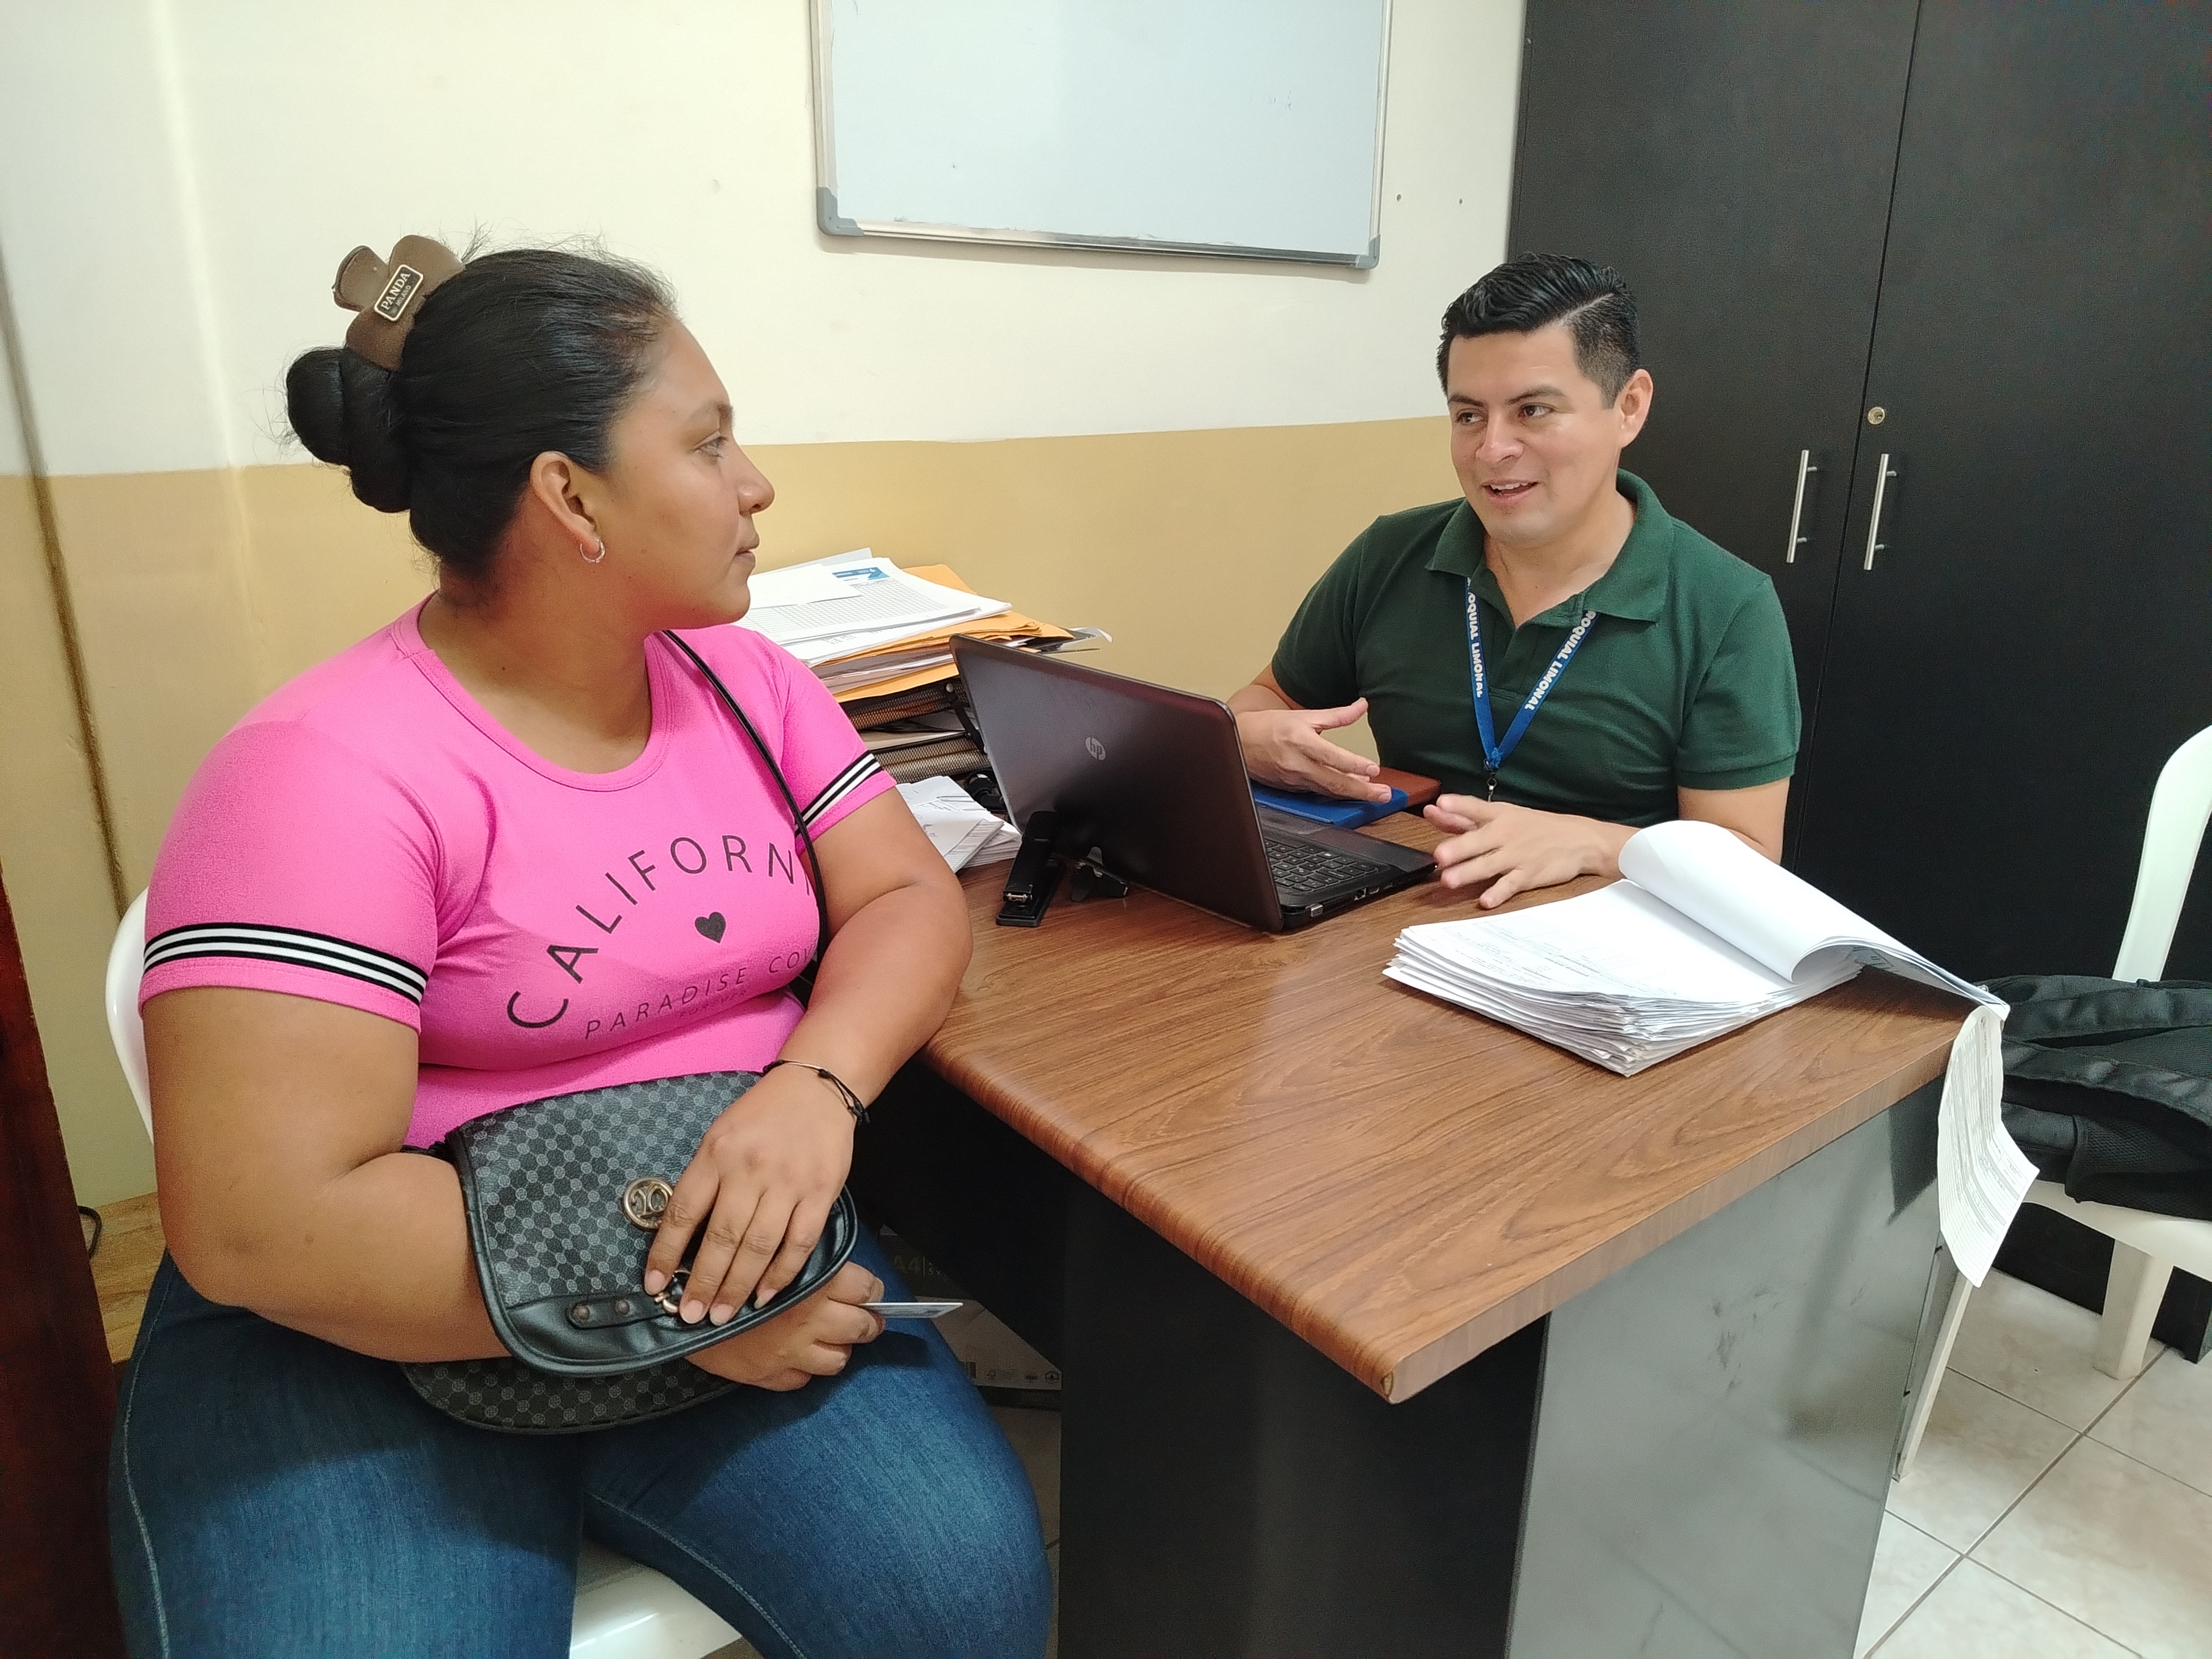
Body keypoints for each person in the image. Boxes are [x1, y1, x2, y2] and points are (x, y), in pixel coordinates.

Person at [112, 241, 1052, 1659]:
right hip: (367, 1320)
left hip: (731, 1238)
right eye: (709, 443)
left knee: (954, 1598)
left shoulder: (748, 682)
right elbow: (265, 1224)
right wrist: (668, 1311)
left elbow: (907, 900)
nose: (755, 485)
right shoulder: (319, 772)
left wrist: (816, 1086)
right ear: (570, 495)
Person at [1230, 253, 1799, 908]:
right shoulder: (1390, 553)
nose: (1492, 449)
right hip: (1407, 913)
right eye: (1469, 416)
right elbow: (1266, 698)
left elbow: (1747, 854)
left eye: (1532, 410)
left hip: (1600, 933)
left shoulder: (1727, 606)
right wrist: (1246, 736)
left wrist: (1592, 844)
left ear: (1628, 407)